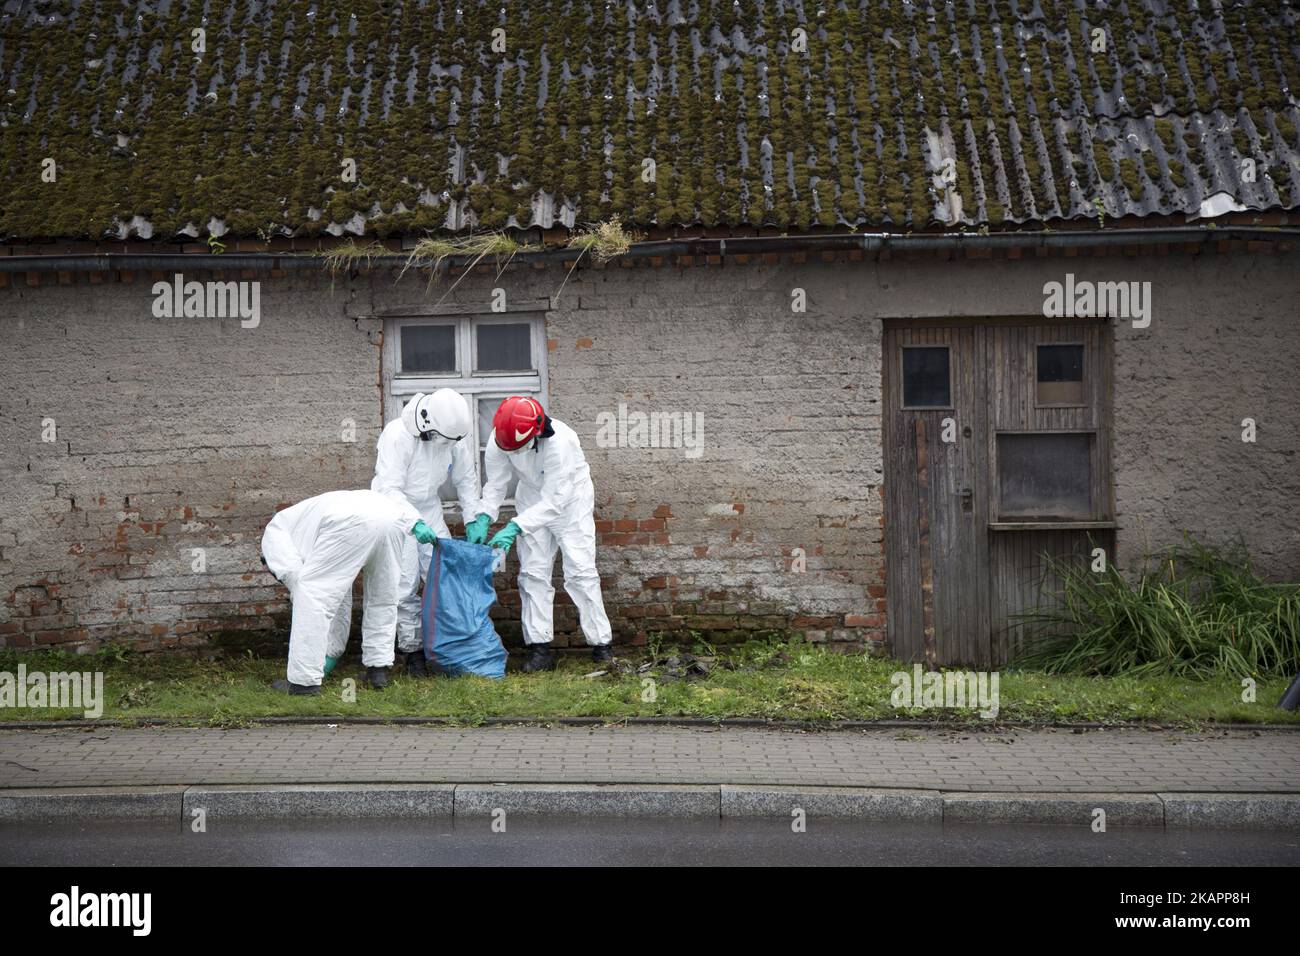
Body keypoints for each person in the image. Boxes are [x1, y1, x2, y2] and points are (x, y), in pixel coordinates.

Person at [470, 396, 613, 672]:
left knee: (580, 572)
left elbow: (555, 502)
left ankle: (601, 644)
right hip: (531, 497)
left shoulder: (561, 442)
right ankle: (539, 648)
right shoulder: (501, 438)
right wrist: (485, 515)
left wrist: (515, 526)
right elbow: (496, 484)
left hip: (570, 502)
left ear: (536, 433)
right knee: (533, 573)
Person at [260, 489, 440, 694]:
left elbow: (299, 583)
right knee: (383, 598)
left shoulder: (274, 533)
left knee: (312, 599)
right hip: (390, 518)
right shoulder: (304, 522)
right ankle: (377, 672)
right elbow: (339, 600)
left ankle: (303, 684)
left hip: (348, 520)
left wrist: (304, 595)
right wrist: (333, 652)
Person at [372, 389, 481, 676]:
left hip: (429, 508)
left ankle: (446, 648)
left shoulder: (453, 433)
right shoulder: (397, 436)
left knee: (443, 578)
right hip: (395, 512)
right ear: (428, 425)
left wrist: (473, 518)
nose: (449, 446)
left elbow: (466, 479)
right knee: (404, 585)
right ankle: (412, 652)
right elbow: (388, 488)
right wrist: (412, 522)